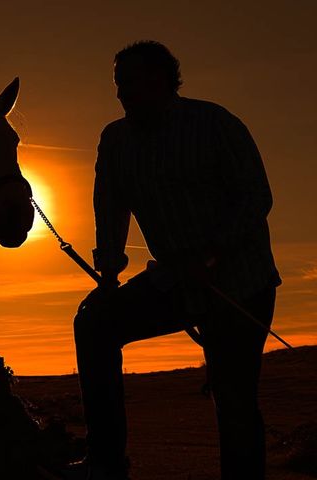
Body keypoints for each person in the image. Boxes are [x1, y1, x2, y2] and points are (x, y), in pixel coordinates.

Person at [72, 41, 281, 480]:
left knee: (233, 396)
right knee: (94, 322)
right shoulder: (115, 140)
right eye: (118, 83)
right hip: (174, 282)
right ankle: (106, 461)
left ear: (164, 80)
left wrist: (210, 253)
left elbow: (256, 196)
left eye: (132, 81)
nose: (122, 92)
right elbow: (110, 207)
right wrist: (108, 272)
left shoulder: (214, 123)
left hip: (241, 283)